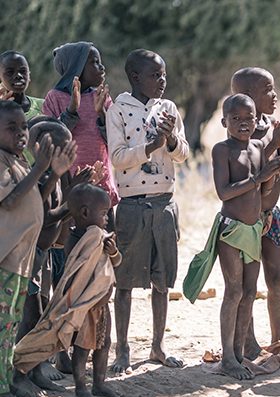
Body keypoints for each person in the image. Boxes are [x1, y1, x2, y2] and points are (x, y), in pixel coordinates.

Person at [106, 49, 189, 373]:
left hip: (164, 203)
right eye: (155, 75)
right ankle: (123, 350)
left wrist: (168, 142)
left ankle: (157, 346)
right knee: (124, 283)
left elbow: (182, 153)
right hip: (131, 205)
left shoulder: (168, 109)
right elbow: (118, 157)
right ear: (135, 77)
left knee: (161, 281)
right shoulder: (119, 110)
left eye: (164, 74)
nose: (162, 80)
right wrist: (150, 148)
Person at [14, 183, 121, 397]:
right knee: (82, 348)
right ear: (84, 213)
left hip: (102, 306)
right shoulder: (78, 239)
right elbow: (75, 271)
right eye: (103, 213)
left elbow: (116, 263)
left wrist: (113, 252)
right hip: (84, 307)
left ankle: (99, 384)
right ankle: (81, 387)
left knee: (105, 344)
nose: (108, 218)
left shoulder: (101, 237)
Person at [211, 93, 280, 379]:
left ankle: (240, 354)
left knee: (250, 292)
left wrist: (273, 168)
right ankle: (227, 358)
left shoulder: (257, 147)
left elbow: (264, 180)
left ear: (257, 121)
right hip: (231, 229)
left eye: (248, 118)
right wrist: (259, 177)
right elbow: (224, 191)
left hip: (255, 229)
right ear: (224, 121)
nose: (243, 123)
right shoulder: (222, 150)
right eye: (236, 119)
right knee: (233, 291)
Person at [230, 67, 280, 356]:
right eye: (268, 89)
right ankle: (248, 339)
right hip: (246, 221)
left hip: (272, 214)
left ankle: (277, 337)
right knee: (247, 284)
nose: (275, 95)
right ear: (248, 97)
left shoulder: (273, 125)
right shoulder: (239, 131)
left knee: (277, 276)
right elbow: (251, 169)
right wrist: (274, 145)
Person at [13, 120, 76, 395]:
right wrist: (69, 208)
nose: (67, 156)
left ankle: (34, 371)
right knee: (27, 319)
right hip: (27, 257)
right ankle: (17, 375)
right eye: (62, 150)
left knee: (37, 316)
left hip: (41, 256)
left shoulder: (54, 176)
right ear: (43, 148)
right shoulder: (36, 177)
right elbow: (44, 217)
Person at [0, 100, 53, 397]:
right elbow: (9, 201)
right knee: (1, 329)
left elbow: (33, 199)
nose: (21, 133)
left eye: (23, 127)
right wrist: (40, 168)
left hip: (20, 262)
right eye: (11, 128)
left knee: (9, 328)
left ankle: (6, 382)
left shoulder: (17, 160)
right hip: (6, 260)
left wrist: (51, 171)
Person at [42, 41, 118, 225]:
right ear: (76, 68)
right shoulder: (55, 98)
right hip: (70, 187)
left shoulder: (101, 97)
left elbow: (115, 140)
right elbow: (51, 140)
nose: (102, 67)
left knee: (105, 243)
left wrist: (102, 114)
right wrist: (71, 111)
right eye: (94, 62)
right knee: (72, 244)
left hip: (101, 182)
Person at [0, 51, 44, 120]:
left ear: (29, 75)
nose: (18, 75)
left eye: (23, 71)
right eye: (10, 72)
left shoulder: (44, 106)